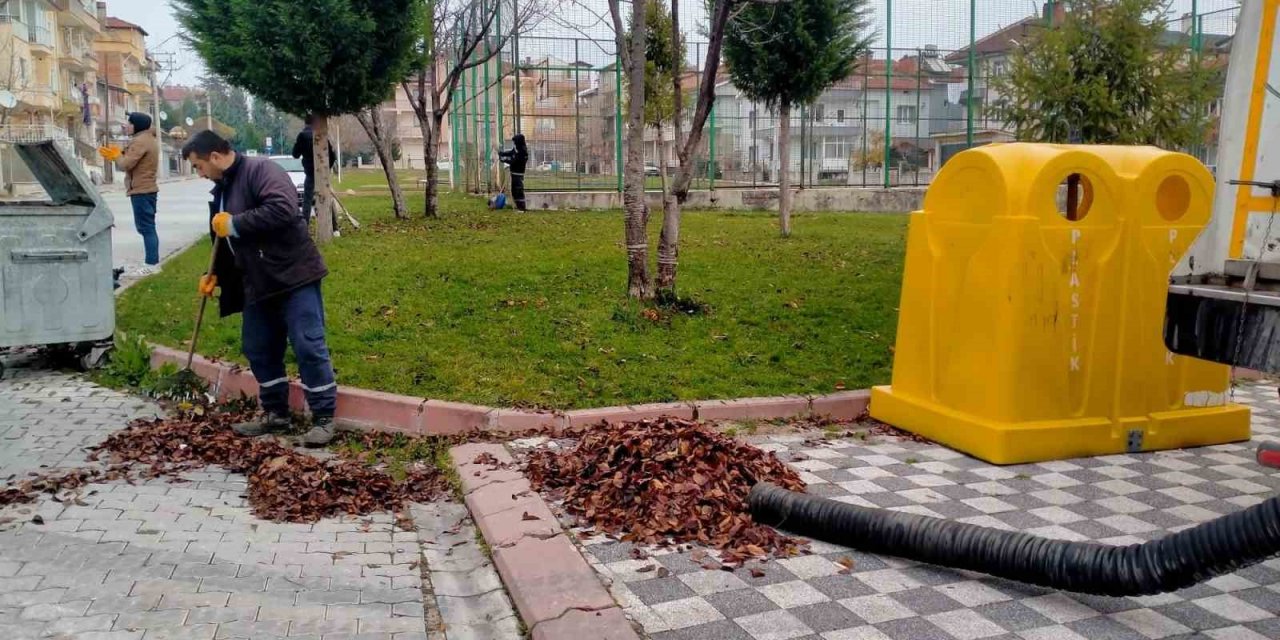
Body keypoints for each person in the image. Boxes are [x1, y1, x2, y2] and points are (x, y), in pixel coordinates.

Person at [184, 130, 339, 446]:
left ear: (214, 157)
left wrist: (236, 224)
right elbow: (225, 240)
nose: (199, 174)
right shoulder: (223, 189)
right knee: (258, 347)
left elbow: (283, 209)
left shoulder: (262, 171)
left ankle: (323, 418)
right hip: (257, 280)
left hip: (293, 275)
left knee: (308, 344)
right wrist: (214, 276)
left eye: (198, 166)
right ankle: (275, 413)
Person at [100, 112, 160, 275]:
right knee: (147, 227)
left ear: (137, 125)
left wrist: (117, 156)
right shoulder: (146, 139)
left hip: (142, 190)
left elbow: (125, 164)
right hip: (146, 189)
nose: (126, 126)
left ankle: (152, 264)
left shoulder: (141, 141)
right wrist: (119, 153)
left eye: (129, 123)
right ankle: (152, 262)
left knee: (146, 228)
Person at [292, 116, 339, 233]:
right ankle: (334, 228)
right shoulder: (321, 134)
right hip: (322, 173)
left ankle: (305, 227)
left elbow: (295, 154)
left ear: (305, 123)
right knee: (327, 199)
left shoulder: (302, 136)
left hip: (310, 173)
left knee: (307, 201)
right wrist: (327, 169)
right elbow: (332, 156)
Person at [498, 134, 529, 211]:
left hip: (518, 174)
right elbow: (511, 152)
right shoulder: (517, 149)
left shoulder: (522, 152)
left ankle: (522, 208)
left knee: (518, 191)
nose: (514, 143)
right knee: (514, 191)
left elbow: (514, 161)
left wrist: (504, 160)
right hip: (514, 173)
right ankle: (518, 207)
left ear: (519, 142)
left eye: (515, 142)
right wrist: (502, 153)